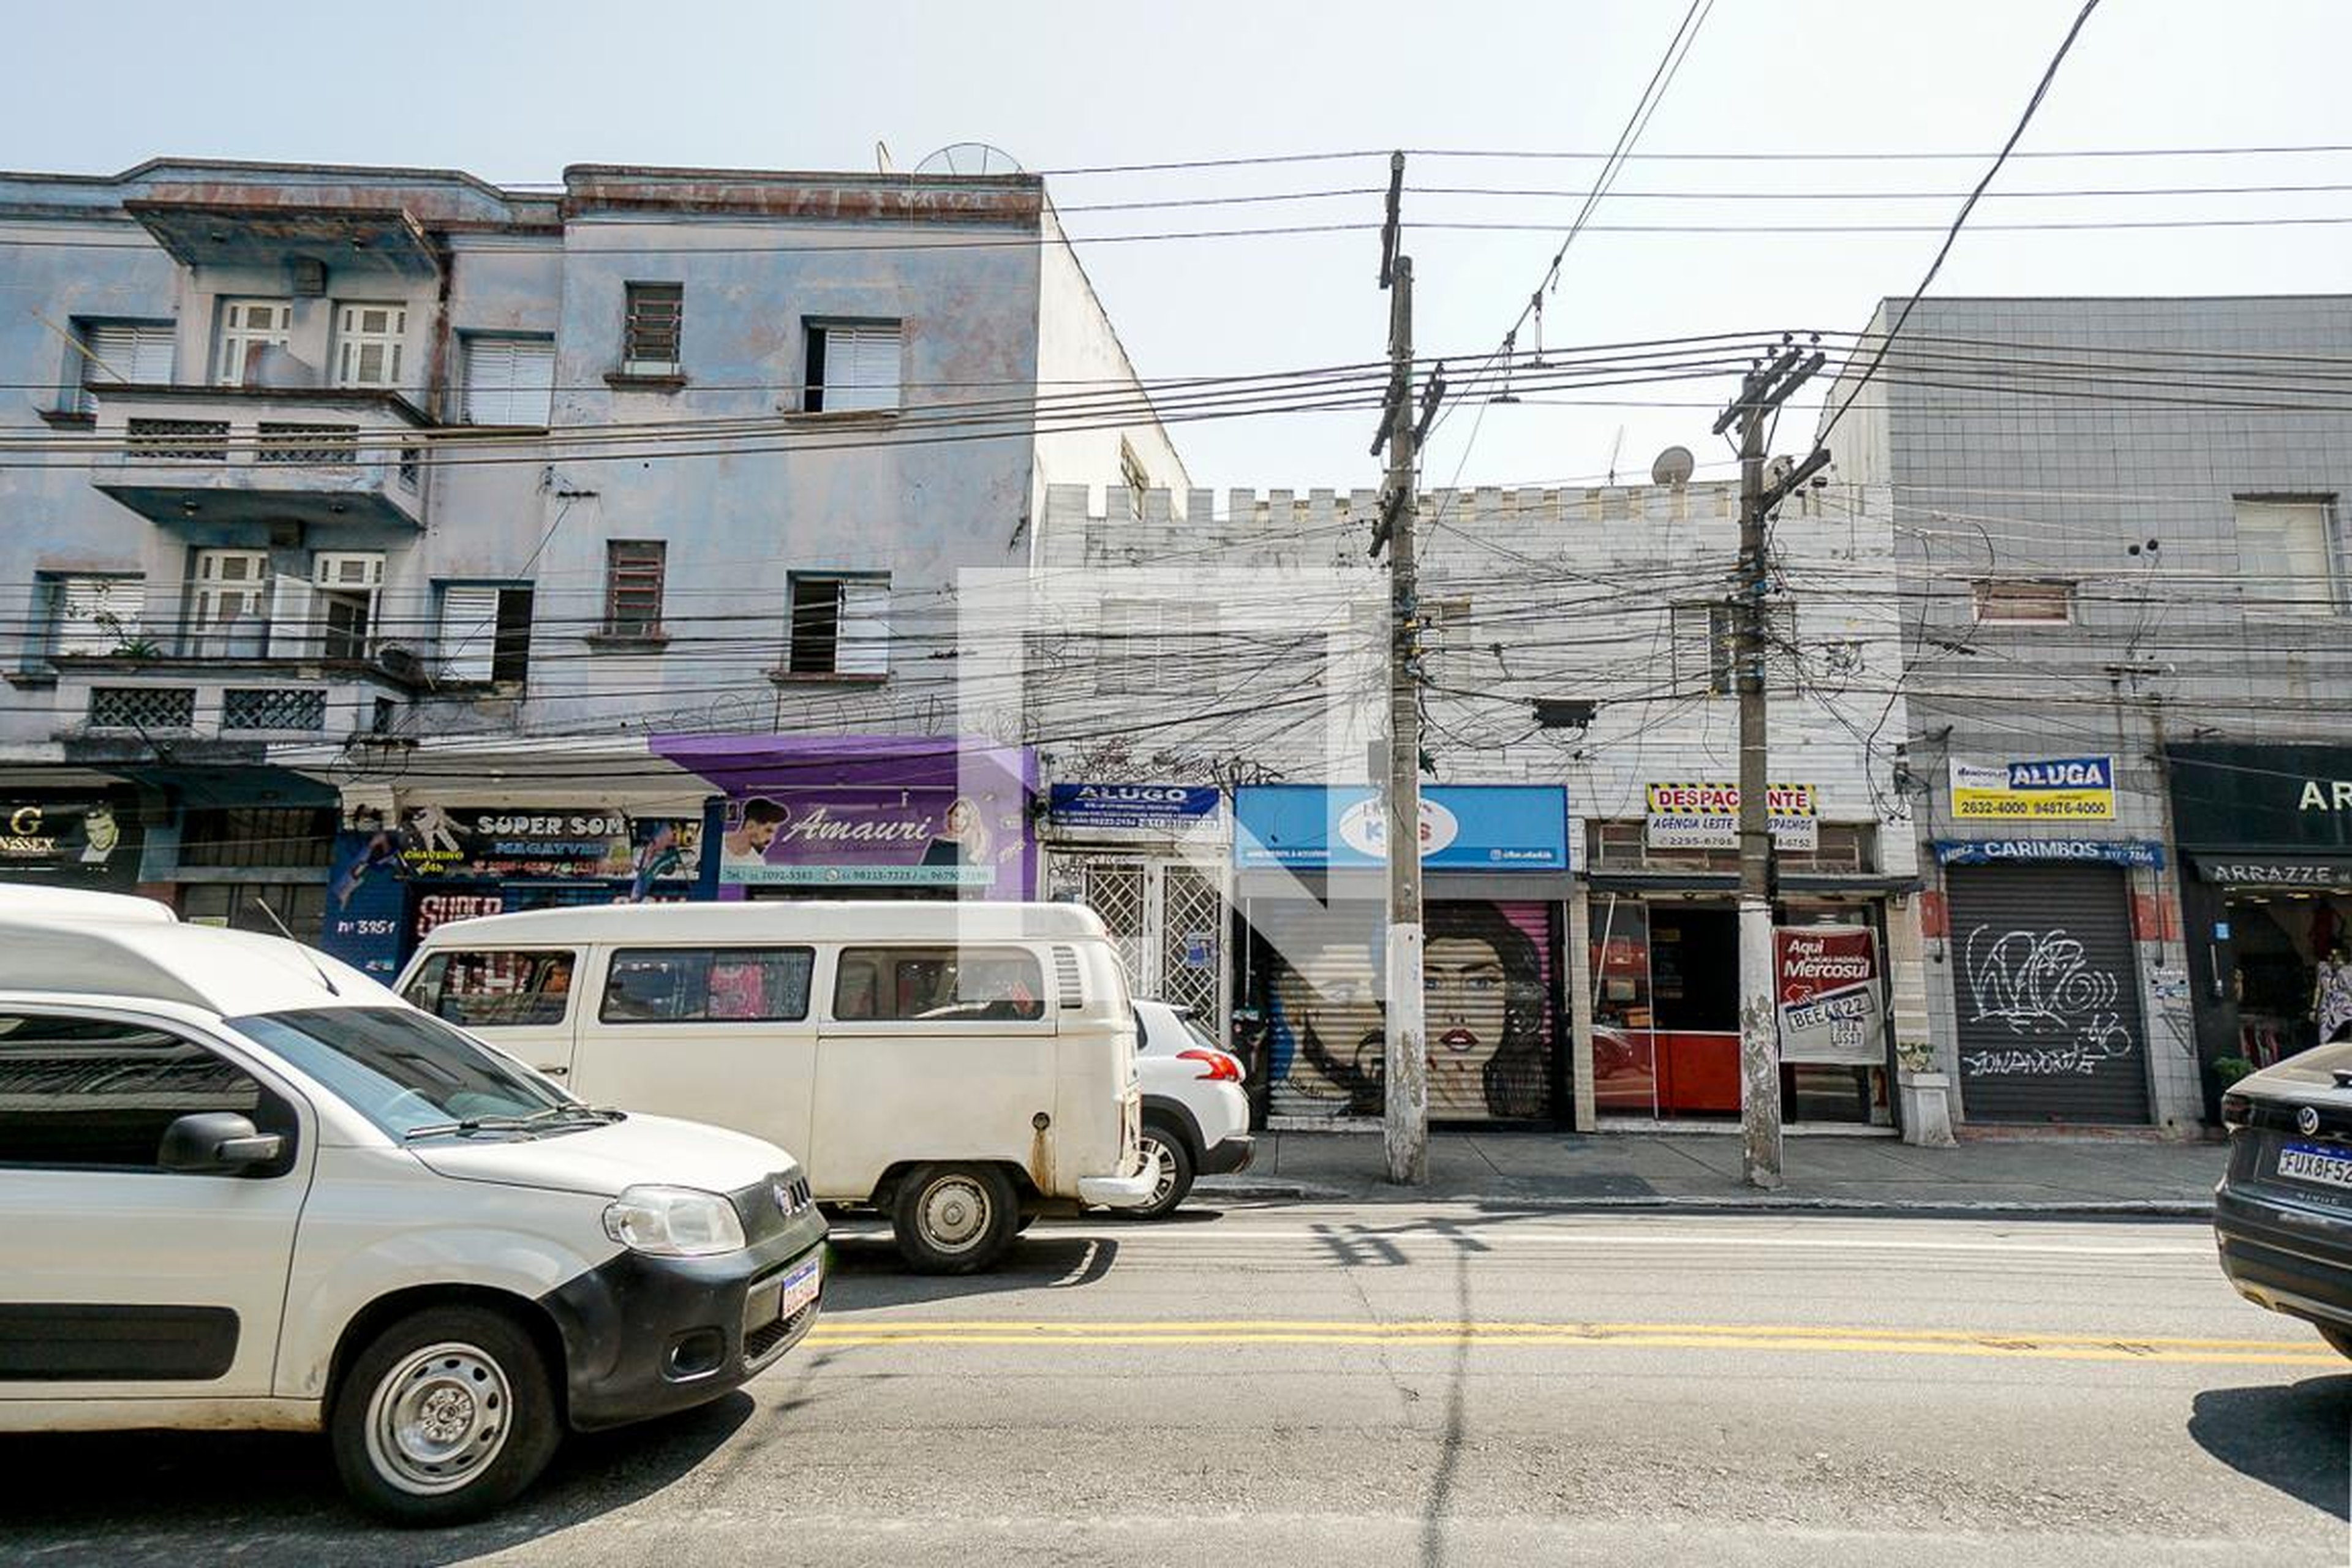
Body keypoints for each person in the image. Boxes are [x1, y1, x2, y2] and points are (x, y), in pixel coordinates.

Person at [722, 797, 788, 866]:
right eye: (768, 831)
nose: (772, 839)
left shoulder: (757, 863)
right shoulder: (716, 840)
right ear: (751, 826)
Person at [2316, 943, 2352, 1045]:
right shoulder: (2323, 969)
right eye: (2331, 955)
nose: (2332, 958)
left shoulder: (2347, 971)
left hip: (2343, 1002)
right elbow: (2319, 989)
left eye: (2336, 955)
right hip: (2327, 1004)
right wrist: (2314, 1009)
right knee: (2325, 1034)